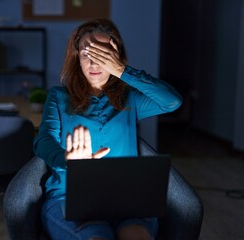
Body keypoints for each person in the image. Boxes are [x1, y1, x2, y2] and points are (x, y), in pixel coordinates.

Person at [33, 18, 182, 240]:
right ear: (77, 59)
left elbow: (172, 101)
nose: (94, 64)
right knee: (97, 236)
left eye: (103, 56)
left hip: (125, 200)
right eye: (87, 55)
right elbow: (43, 140)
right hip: (69, 196)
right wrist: (68, 160)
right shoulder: (58, 97)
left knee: (137, 236)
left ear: (115, 58)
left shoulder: (129, 98)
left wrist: (123, 71)